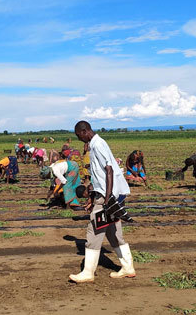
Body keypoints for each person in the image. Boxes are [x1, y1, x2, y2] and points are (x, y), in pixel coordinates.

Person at [69, 121, 134, 283]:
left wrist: (107, 198)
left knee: (94, 230)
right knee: (113, 233)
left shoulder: (98, 144)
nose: (79, 139)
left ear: (84, 131)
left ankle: (88, 272)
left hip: (108, 196)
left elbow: (109, 169)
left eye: (78, 136)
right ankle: (128, 268)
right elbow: (99, 176)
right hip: (109, 195)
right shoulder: (95, 144)